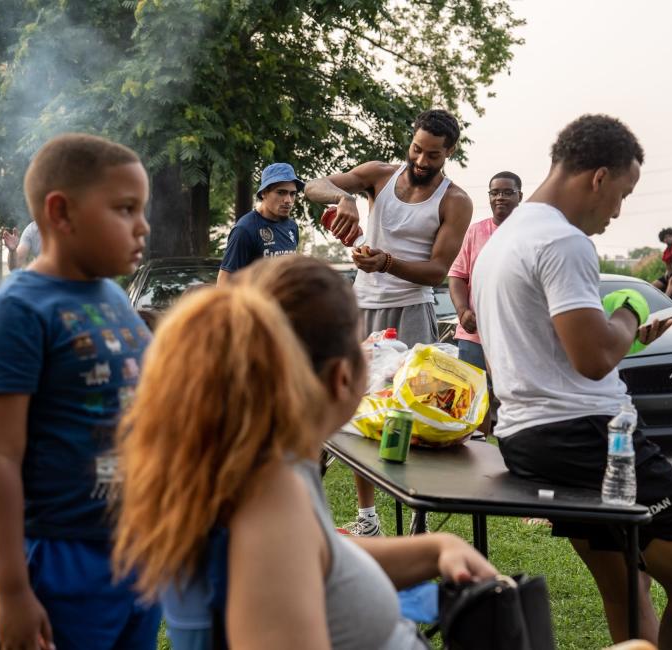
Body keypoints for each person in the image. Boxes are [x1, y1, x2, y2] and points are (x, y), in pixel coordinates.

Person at [113, 255, 497, 650]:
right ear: (343, 377)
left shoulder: (258, 462)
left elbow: (316, 553)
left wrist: (436, 549)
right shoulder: (269, 497)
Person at [472, 114, 672, 648]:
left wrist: (613, 330)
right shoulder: (562, 241)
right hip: (588, 436)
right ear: (598, 177)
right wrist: (631, 312)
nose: (618, 210)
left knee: (626, 587)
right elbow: (593, 359)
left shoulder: (501, 241)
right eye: (623, 193)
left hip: (528, 436)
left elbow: (532, 355)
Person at [0, 134, 160, 649]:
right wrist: (11, 592)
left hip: (134, 554)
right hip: (55, 563)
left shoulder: (115, 299)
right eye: (125, 209)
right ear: (61, 213)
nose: (143, 226)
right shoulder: (16, 315)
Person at [305, 109, 473, 537]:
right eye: (417, 148)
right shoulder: (378, 174)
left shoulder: (455, 201)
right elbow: (314, 186)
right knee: (360, 410)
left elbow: (437, 271)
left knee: (413, 413)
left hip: (413, 311)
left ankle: (418, 514)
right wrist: (343, 198)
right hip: (361, 308)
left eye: (432, 155)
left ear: (448, 153)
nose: (421, 160)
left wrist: (387, 262)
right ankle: (367, 519)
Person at [448, 170, 522, 370]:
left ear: (519, 196)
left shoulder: (529, 233)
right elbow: (457, 276)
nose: (500, 197)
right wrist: (463, 312)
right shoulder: (475, 231)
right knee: (474, 396)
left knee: (510, 399)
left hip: (517, 337)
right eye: (495, 192)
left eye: (507, 192)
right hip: (474, 335)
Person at [216, 163, 308, 286]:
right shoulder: (245, 229)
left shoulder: (292, 227)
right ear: (264, 193)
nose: (288, 200)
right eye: (281, 192)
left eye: (293, 194)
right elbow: (224, 283)